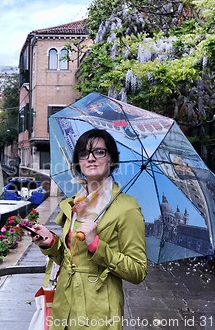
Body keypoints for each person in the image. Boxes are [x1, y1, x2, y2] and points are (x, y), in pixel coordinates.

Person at [32, 129, 147, 330]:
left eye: (99, 152)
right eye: (84, 154)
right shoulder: (74, 203)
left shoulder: (127, 208)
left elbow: (138, 271)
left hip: (98, 313)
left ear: (111, 159)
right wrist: (50, 242)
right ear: (78, 162)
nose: (91, 158)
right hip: (63, 307)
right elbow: (71, 258)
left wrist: (96, 245)